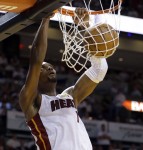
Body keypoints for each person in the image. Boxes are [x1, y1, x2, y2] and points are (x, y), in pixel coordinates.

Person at [19, 8, 108, 150]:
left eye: (50, 66)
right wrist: (46, 18)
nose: (49, 68)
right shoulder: (32, 100)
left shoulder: (70, 96)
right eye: (43, 67)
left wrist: (84, 26)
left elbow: (100, 70)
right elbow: (36, 60)